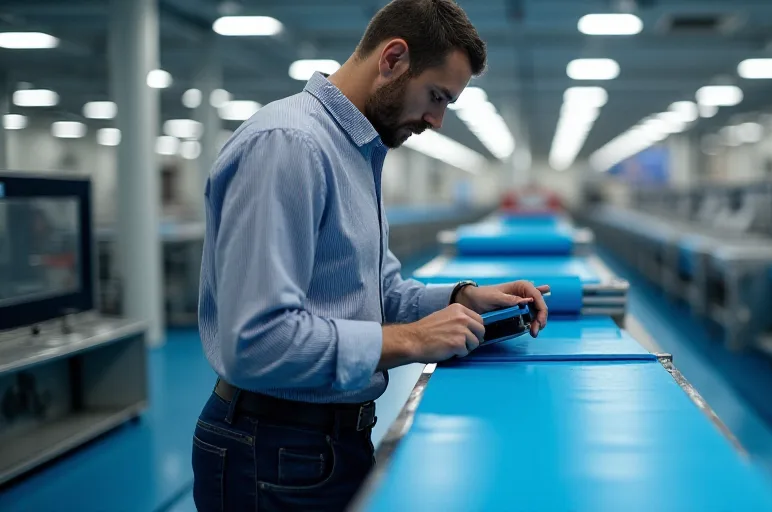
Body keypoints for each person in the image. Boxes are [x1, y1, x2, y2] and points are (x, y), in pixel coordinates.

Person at [191, 1, 549, 510]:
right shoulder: (290, 145)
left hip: (327, 443)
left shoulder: (358, 151)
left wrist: (465, 298)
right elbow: (258, 340)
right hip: (270, 450)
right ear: (393, 58)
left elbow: (373, 294)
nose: (437, 120)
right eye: (436, 96)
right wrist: (412, 340)